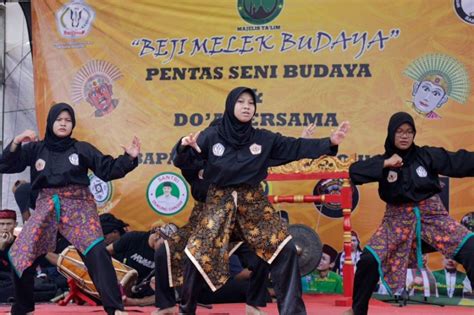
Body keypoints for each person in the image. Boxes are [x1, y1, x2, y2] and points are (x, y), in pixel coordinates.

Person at [175, 86, 350, 315]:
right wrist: (184, 147)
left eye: (251, 103)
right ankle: (185, 310)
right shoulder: (211, 136)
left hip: (253, 204)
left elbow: (294, 146)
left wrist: (329, 142)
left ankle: (292, 312)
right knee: (196, 253)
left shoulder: (262, 139)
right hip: (219, 203)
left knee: (285, 249)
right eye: (241, 102)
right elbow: (186, 162)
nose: (247, 106)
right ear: (230, 105)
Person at [0, 102, 140, 315]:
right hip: (46, 206)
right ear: (51, 123)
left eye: (68, 121)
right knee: (21, 253)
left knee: (97, 252)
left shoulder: (81, 148)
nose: (63, 124)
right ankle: (23, 308)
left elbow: (107, 169)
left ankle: (115, 308)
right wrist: (17, 141)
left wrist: (129, 158)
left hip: (79, 206)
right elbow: (6, 164)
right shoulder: (36, 148)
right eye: (59, 120)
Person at [345, 111, 474, 315]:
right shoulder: (383, 161)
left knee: (471, 249)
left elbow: (458, 161)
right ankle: (357, 310)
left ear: (414, 134)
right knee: (368, 261)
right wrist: (385, 164)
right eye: (399, 132)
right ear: (391, 133)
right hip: (396, 221)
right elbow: (354, 172)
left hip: (433, 217)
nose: (404, 136)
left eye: (409, 132)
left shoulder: (427, 155)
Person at [107, 222, 177, 307]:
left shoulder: (168, 255)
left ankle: (131, 302)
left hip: (142, 291)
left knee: (170, 294)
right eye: (164, 245)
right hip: (118, 282)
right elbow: (105, 253)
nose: (166, 249)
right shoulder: (133, 238)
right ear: (157, 235)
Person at [0, 209, 17, 303]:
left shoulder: (20, 243)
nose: (5, 228)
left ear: (15, 224)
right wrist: (1, 247)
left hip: (10, 280)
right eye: (1, 224)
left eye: (8, 224)